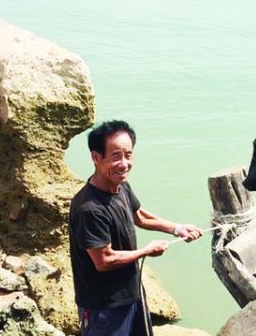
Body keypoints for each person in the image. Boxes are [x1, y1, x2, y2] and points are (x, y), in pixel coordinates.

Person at [69, 120, 203, 336]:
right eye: (115, 156)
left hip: (131, 295)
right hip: (103, 307)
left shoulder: (120, 187)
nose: (124, 163)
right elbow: (104, 261)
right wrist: (146, 251)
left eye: (128, 155)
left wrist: (177, 229)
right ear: (96, 157)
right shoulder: (89, 209)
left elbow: (139, 216)